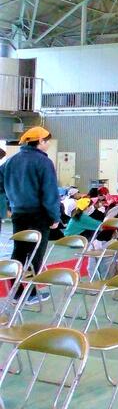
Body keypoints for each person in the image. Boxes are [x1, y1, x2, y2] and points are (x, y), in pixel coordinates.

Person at [0, 127, 60, 302]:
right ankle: (31, 293)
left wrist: (9, 203)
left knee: (18, 252)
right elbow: (49, 193)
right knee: (35, 255)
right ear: (40, 141)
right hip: (39, 216)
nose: (48, 144)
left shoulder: (11, 161)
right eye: (47, 141)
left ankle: (16, 292)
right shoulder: (44, 162)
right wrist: (54, 217)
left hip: (19, 214)